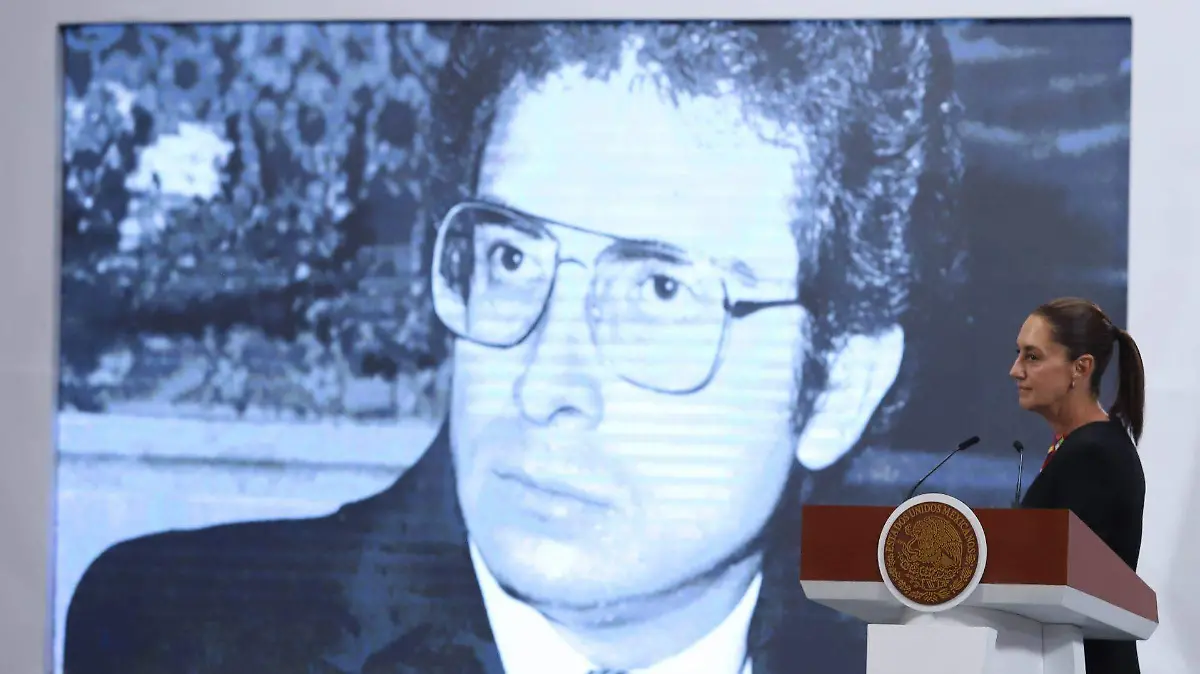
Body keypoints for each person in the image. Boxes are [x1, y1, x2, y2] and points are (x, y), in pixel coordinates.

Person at [63, 21, 965, 674]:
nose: (544, 383)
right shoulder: (183, 634)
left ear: (838, 388)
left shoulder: (943, 659)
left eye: (661, 290)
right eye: (511, 257)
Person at [1010, 297, 1146, 674]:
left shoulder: (1094, 455)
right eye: (1018, 354)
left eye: (1032, 357)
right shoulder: (1086, 446)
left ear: (1080, 368)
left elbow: (1063, 579)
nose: (1015, 370)